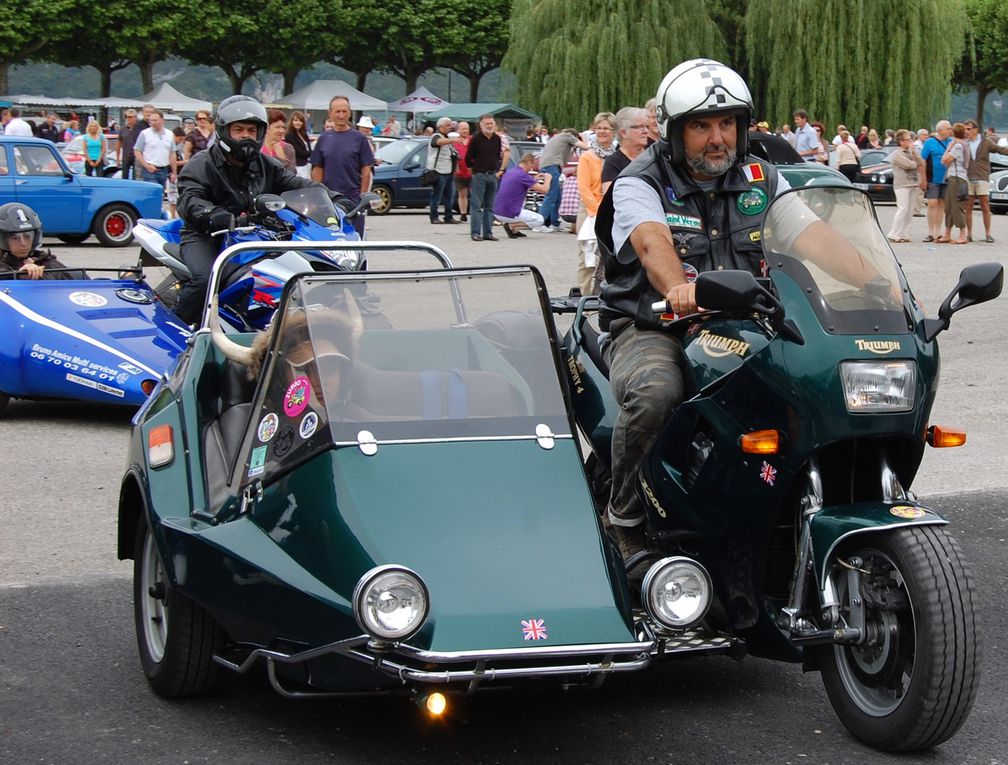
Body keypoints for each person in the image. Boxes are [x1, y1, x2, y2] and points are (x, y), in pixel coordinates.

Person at [594, 59, 795, 561]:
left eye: (727, 124)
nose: (717, 138)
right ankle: (625, 517)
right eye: (701, 126)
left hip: (746, 323)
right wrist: (681, 287)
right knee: (657, 392)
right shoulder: (640, 181)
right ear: (674, 129)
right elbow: (651, 243)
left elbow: (814, 236)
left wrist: (872, 282)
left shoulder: (763, 179)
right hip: (652, 321)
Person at [175, 96, 337, 325]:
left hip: (253, 236)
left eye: (251, 130)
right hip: (207, 235)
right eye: (238, 129)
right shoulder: (201, 164)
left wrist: (335, 198)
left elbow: (298, 184)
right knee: (205, 280)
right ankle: (175, 329)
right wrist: (220, 217)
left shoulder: (265, 165)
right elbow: (190, 200)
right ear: (224, 131)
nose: (245, 136)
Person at [310, 96, 374, 237]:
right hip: (329, 200)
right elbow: (317, 169)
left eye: (344, 111)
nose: (341, 115)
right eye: (337, 111)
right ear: (330, 113)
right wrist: (318, 195)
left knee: (354, 241)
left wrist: (362, 198)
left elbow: (366, 171)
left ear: (350, 113)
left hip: (352, 200)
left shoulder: (359, 139)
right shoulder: (324, 139)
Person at [575, 112, 617, 295]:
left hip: (612, 211)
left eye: (606, 128)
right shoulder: (587, 157)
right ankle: (583, 298)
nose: (602, 131)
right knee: (587, 259)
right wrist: (597, 212)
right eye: (599, 128)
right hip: (590, 211)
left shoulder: (616, 157)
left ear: (614, 131)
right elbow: (583, 188)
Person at [534, 128, 590, 233]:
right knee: (551, 195)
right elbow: (586, 147)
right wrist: (584, 137)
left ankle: (555, 223)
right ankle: (539, 223)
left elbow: (566, 158)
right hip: (552, 166)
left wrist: (573, 147)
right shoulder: (567, 136)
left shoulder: (559, 138)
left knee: (557, 196)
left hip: (550, 166)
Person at [0, 203, 74, 280]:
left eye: (27, 237)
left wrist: (38, 272)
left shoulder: (43, 259)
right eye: (15, 238)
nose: (23, 244)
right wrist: (20, 275)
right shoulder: (3, 267)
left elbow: (77, 283)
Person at [964, 119, 1008, 243]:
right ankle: (969, 234)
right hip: (968, 176)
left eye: (968, 129)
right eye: (965, 129)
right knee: (968, 206)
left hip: (982, 176)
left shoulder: (985, 142)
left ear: (975, 129)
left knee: (985, 206)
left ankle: (988, 234)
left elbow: (1000, 149)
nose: (966, 131)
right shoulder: (964, 143)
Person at [465, 114, 507, 241]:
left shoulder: (497, 139)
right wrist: (474, 171)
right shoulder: (476, 139)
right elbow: (468, 158)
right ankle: (475, 232)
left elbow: (498, 156)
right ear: (481, 125)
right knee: (476, 205)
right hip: (479, 174)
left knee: (490, 206)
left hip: (492, 174)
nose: (489, 126)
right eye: (487, 124)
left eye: (491, 123)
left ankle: (488, 232)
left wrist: (498, 171)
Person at [493, 153, 551, 237]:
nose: (531, 168)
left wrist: (534, 179)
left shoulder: (510, 172)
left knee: (521, 199)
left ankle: (514, 229)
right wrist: (548, 179)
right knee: (539, 220)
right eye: (532, 165)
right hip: (509, 213)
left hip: (497, 211)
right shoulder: (523, 175)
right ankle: (512, 225)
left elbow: (520, 188)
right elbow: (544, 190)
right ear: (528, 162)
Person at [886, 129, 924, 243]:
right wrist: (915, 162)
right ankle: (894, 234)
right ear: (901, 141)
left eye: (910, 139)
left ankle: (904, 233)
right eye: (907, 140)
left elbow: (921, 162)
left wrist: (914, 154)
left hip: (913, 183)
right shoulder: (896, 154)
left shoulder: (911, 152)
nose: (910, 142)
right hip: (902, 185)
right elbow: (909, 165)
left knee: (910, 210)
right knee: (902, 209)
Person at [602, 107, 649, 194]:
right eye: (639, 127)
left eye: (646, 126)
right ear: (623, 133)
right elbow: (610, 196)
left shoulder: (653, 157)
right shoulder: (612, 163)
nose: (645, 131)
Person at [920, 120, 952, 242]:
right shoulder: (929, 142)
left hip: (946, 178)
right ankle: (930, 232)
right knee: (932, 204)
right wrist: (923, 179)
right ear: (940, 130)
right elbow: (922, 161)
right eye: (948, 128)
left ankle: (938, 231)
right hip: (932, 178)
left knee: (942, 205)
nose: (950, 130)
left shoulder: (951, 142)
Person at [940, 122, 970, 245]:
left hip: (957, 179)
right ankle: (947, 233)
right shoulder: (964, 144)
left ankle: (963, 235)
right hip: (955, 178)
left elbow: (944, 160)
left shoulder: (958, 146)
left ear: (953, 132)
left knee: (957, 206)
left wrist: (949, 147)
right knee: (949, 206)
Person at [134, 109, 177, 191]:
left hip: (164, 169)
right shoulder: (144, 133)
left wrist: (174, 172)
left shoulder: (170, 134)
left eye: (155, 120)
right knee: (152, 192)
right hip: (150, 169)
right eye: (151, 120)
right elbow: (137, 151)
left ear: (162, 120)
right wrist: (146, 165)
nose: (153, 123)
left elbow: (172, 154)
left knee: (161, 193)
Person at [426, 117, 459, 224]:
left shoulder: (447, 138)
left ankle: (448, 216)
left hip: (449, 171)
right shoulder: (436, 136)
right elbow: (438, 142)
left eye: (451, 125)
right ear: (440, 127)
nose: (450, 127)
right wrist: (453, 140)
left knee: (450, 195)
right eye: (448, 125)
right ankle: (434, 216)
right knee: (437, 195)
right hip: (439, 171)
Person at [452, 121, 472, 222]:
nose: (465, 131)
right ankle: (463, 214)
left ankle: (475, 211)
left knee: (476, 194)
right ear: (458, 130)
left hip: (472, 171)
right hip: (459, 172)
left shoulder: (472, 140)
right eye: (463, 128)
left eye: (466, 129)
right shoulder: (454, 141)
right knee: (462, 194)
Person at [285, 111, 313, 179]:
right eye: (295, 120)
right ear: (292, 121)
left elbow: (308, 148)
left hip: (308, 165)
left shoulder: (304, 134)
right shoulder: (289, 135)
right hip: (298, 167)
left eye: (300, 121)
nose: (298, 123)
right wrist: (313, 152)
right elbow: (298, 152)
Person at [117, 109, 142, 180]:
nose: (128, 118)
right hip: (126, 156)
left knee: (136, 176)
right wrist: (118, 158)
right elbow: (118, 143)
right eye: (126, 117)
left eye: (130, 117)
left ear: (135, 117)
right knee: (124, 176)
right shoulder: (123, 129)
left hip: (137, 156)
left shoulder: (140, 129)